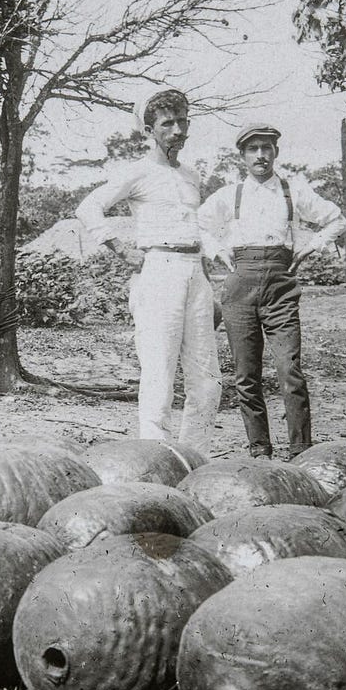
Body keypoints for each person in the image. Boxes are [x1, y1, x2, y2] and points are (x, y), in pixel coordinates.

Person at [75, 88, 221, 453]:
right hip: (159, 272)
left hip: (195, 273)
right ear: (149, 130)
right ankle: (158, 459)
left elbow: (196, 229)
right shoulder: (137, 171)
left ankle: (194, 457)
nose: (177, 131)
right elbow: (89, 207)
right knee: (159, 374)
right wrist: (121, 249)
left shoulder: (190, 175)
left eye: (182, 122)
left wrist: (206, 281)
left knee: (207, 379)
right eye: (167, 124)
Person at [198, 122, 346, 459]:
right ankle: (260, 450)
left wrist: (312, 247)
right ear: (243, 156)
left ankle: (300, 451)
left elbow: (337, 220)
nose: (261, 155)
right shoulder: (229, 194)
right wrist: (218, 252)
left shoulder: (293, 191)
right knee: (245, 374)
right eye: (253, 149)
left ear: (276, 152)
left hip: (281, 285)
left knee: (289, 370)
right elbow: (198, 223)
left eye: (267, 148)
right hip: (240, 285)